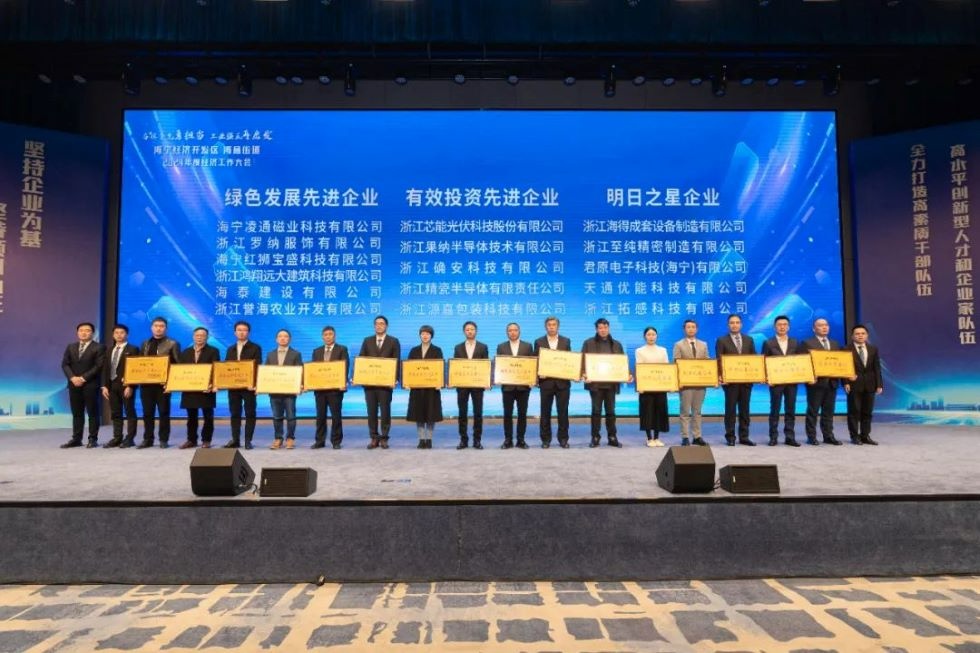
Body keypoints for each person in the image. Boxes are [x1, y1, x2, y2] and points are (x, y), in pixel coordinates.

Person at [581, 318, 630, 448]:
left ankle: (612, 437)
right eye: (600, 328)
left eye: (605, 327)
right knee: (596, 411)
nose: (603, 330)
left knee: (611, 412)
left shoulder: (617, 344)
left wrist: (627, 374)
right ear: (596, 329)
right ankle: (595, 437)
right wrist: (584, 373)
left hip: (611, 385)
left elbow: (622, 363)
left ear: (609, 328)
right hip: (595, 385)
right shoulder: (588, 343)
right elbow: (582, 361)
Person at [60, 322, 105, 448]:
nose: (84, 332)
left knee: (92, 413)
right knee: (77, 413)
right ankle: (76, 439)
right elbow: (65, 364)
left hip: (90, 384)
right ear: (77, 332)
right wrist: (72, 378)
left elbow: (98, 366)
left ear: (92, 333)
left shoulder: (99, 347)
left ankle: (92, 439)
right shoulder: (71, 347)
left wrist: (83, 378)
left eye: (87, 330)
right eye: (81, 330)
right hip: (74, 384)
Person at [799, 317, 844, 446]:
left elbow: (840, 363)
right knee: (813, 411)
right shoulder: (807, 343)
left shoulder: (835, 344)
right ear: (814, 329)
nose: (824, 327)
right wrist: (808, 378)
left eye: (826, 325)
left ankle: (828, 436)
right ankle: (811, 437)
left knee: (828, 412)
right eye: (820, 325)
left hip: (832, 383)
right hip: (815, 383)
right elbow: (803, 363)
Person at [137, 316, 181, 449]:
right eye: (156, 326)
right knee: (147, 413)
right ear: (151, 328)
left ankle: (163, 439)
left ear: (166, 328)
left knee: (164, 412)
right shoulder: (145, 343)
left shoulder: (172, 343)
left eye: (161, 326)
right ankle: (148, 439)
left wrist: (171, 383)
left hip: (163, 385)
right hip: (146, 384)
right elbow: (139, 363)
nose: (158, 328)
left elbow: (177, 365)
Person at [715, 313, 757, 447]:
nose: (735, 325)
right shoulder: (721, 340)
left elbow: (754, 360)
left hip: (746, 382)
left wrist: (756, 375)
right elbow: (719, 360)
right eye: (732, 323)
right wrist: (721, 377)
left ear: (741, 324)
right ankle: (730, 437)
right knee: (730, 410)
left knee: (745, 410)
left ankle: (744, 436)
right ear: (728, 325)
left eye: (737, 322)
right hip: (730, 383)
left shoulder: (749, 340)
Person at [359, 315, 401, 450]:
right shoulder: (367, 341)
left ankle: (384, 438)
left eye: (382, 323)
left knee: (385, 411)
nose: (379, 326)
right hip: (370, 384)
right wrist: (359, 377)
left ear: (386, 326)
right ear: (374, 326)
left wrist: (395, 379)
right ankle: (373, 437)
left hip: (385, 384)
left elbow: (396, 361)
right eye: (377, 324)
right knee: (371, 412)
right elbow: (362, 360)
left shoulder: (393, 341)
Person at [177, 327, 221, 449]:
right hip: (190, 389)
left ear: (207, 337)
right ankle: (191, 440)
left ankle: (206, 440)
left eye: (202, 335)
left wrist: (212, 384)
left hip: (207, 389)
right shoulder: (185, 352)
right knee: (191, 417)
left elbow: (216, 369)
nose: (200, 337)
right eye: (197, 335)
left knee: (208, 416)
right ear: (193, 337)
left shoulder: (213, 351)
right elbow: (180, 370)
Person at [534, 316, 573, 449]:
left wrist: (573, 373)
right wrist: (538, 374)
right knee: (545, 413)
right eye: (549, 325)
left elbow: (570, 361)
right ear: (546, 326)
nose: (551, 327)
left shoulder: (566, 341)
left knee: (563, 413)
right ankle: (545, 439)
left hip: (563, 383)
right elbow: (536, 361)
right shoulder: (539, 342)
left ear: (558, 326)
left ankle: (563, 439)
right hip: (546, 383)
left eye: (554, 325)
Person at [761, 315, 801, 447]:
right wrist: (766, 378)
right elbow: (763, 362)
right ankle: (773, 437)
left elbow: (801, 361)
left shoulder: (795, 342)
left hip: (791, 382)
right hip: (776, 382)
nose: (782, 327)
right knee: (775, 409)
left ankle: (790, 437)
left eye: (785, 325)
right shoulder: (768, 343)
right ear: (774, 327)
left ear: (788, 327)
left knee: (790, 409)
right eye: (779, 325)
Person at [224, 320, 262, 450]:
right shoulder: (230, 349)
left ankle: (248, 440)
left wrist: (255, 384)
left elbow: (257, 367)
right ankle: (235, 440)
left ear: (248, 332)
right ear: (235, 332)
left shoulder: (255, 348)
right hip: (233, 387)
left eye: (244, 330)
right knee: (235, 413)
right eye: (239, 330)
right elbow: (226, 367)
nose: (242, 332)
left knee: (250, 413)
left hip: (248, 387)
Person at [100, 323, 139, 448]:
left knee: (129, 412)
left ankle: (130, 438)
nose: (119, 335)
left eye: (122, 333)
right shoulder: (109, 350)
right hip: (111, 385)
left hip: (126, 386)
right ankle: (117, 437)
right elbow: (105, 369)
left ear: (127, 334)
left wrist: (131, 386)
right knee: (115, 412)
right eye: (116, 333)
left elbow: (136, 369)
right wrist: (104, 386)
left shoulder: (133, 349)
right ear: (113, 335)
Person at [496, 322, 534, 449]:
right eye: (510, 330)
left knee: (522, 414)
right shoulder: (501, 347)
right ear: (507, 332)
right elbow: (499, 365)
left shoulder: (527, 346)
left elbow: (532, 364)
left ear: (519, 331)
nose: (513, 332)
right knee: (507, 414)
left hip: (523, 387)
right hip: (507, 387)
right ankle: (508, 440)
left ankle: (521, 440)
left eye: (515, 330)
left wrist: (532, 379)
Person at [844, 324, 883, 446]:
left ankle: (865, 436)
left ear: (867, 335)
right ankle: (854, 436)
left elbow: (877, 367)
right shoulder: (846, 349)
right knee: (854, 412)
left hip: (870, 384)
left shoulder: (873, 349)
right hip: (854, 384)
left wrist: (879, 384)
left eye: (863, 333)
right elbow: (843, 368)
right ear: (852, 336)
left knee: (867, 412)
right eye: (857, 334)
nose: (860, 336)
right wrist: (846, 382)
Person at [406, 325, 444, 449]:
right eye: (423, 333)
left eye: (427, 333)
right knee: (419, 415)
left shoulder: (437, 350)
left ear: (431, 336)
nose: (425, 336)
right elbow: (409, 368)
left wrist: (440, 383)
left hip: (432, 388)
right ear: (420, 335)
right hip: (417, 388)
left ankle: (429, 439)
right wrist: (407, 382)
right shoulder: (414, 350)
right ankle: (421, 439)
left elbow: (440, 368)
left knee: (431, 414)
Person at [310, 325, 349, 449]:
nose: (328, 337)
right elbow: (313, 370)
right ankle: (320, 441)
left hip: (335, 390)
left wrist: (343, 382)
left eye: (330, 334)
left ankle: (336, 441)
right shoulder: (316, 351)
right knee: (320, 416)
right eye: (325, 335)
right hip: (320, 390)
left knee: (336, 416)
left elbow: (345, 367)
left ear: (334, 336)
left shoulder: (342, 349)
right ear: (322, 337)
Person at [452, 321, 489, 450]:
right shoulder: (458, 347)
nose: (470, 331)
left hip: (477, 386)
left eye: (472, 329)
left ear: (476, 331)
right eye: (467, 329)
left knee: (478, 413)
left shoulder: (483, 347)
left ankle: (477, 440)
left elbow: (486, 366)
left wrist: (487, 381)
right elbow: (455, 366)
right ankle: (463, 440)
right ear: (464, 332)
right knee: (462, 413)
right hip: (462, 386)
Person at [673, 319, 709, 447]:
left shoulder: (703, 344)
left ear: (697, 329)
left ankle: (697, 436)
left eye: (693, 327)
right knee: (685, 411)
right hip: (686, 384)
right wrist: (679, 382)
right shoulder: (678, 345)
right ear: (684, 329)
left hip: (700, 384)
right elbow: (676, 364)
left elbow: (707, 363)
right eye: (688, 327)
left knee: (697, 411)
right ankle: (685, 437)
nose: (691, 329)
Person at [265, 329, 303, 449]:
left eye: (285, 336)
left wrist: (300, 385)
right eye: (280, 336)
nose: (282, 338)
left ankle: (290, 438)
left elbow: (300, 371)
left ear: (289, 339)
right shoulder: (270, 354)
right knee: (277, 416)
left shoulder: (296, 354)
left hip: (289, 392)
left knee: (291, 416)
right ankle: (278, 438)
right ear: (276, 339)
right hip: (274, 391)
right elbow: (266, 372)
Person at [635, 326, 670, 447]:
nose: (651, 337)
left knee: (659, 411)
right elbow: (639, 369)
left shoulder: (663, 350)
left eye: (653, 334)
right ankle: (649, 438)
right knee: (647, 412)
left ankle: (657, 437)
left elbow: (667, 368)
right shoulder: (640, 351)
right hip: (646, 387)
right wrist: (640, 385)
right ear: (645, 336)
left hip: (660, 386)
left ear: (657, 336)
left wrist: (669, 385)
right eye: (649, 334)